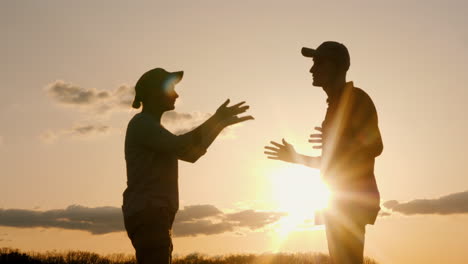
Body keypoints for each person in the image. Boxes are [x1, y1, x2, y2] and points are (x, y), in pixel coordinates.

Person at [264, 41, 383, 264]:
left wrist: (342, 141)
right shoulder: (334, 106)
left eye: (319, 63)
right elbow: (333, 162)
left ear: (337, 67)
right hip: (337, 201)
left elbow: (376, 146)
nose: (312, 69)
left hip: (351, 201)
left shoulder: (356, 98)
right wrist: (296, 157)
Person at [122, 67, 253, 264]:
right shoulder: (142, 124)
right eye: (170, 89)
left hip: (154, 214)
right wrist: (216, 120)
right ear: (153, 93)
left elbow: (191, 154)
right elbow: (183, 147)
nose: (176, 95)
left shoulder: (150, 126)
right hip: (149, 213)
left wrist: (219, 125)